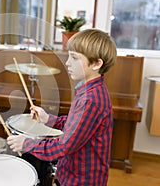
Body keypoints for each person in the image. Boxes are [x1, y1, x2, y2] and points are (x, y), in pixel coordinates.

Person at [7, 28, 117, 186]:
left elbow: (64, 146)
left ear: (96, 63)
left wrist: (26, 143)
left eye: (74, 58)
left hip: (82, 180)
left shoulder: (91, 100)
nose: (67, 63)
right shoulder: (86, 89)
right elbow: (77, 126)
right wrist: (49, 120)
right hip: (71, 172)